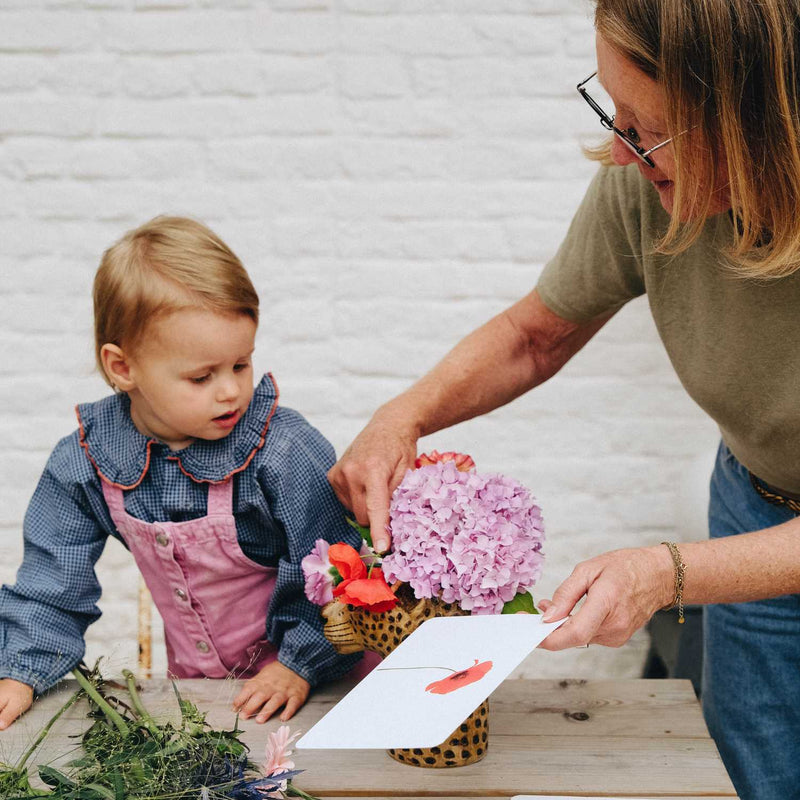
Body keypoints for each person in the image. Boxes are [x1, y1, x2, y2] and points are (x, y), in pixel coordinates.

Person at [326, 1, 800, 798]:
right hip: (755, 503)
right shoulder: (645, 181)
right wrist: (402, 417)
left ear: (747, 117)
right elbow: (535, 336)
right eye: (611, 108)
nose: (619, 148)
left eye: (647, 126)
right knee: (755, 776)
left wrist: (667, 573)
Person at [0, 216, 364, 732]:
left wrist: (298, 663)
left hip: (320, 687)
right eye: (202, 376)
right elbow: (51, 583)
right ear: (123, 368)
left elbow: (337, 571)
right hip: (200, 694)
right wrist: (19, 674)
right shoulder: (84, 461)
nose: (231, 391)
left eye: (241, 364)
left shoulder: (281, 451)